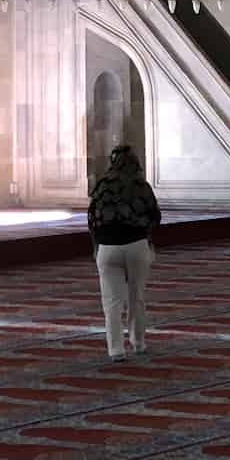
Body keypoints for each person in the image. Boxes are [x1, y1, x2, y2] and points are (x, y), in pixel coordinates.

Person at [86, 142, 161, 360]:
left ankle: (115, 349)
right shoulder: (141, 186)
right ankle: (138, 343)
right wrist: (146, 235)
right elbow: (155, 216)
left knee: (112, 302)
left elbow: (92, 220)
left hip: (107, 248)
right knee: (136, 296)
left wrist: (96, 246)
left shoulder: (101, 186)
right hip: (136, 245)